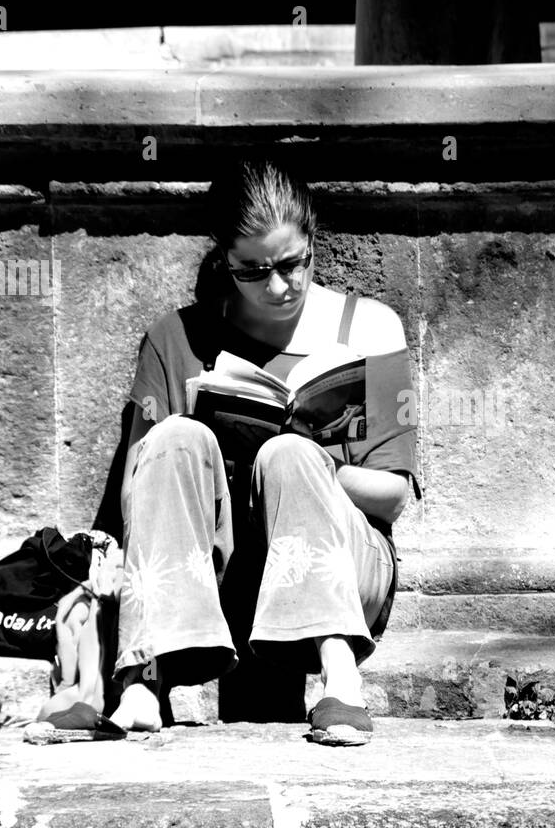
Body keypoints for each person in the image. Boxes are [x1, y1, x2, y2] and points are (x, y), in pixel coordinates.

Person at [99, 160, 422, 745]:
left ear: (312, 238)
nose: (279, 287)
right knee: (173, 439)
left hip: (347, 570)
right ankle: (143, 679)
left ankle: (340, 680)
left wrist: (317, 464)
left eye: (294, 263)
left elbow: (393, 496)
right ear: (224, 261)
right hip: (217, 573)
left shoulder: (372, 327)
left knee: (291, 456)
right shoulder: (174, 337)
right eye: (253, 272)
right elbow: (133, 493)